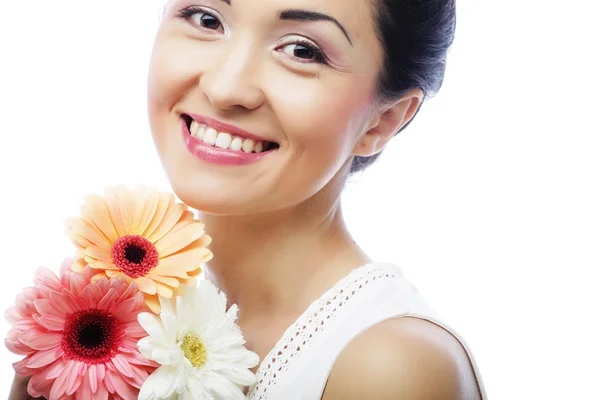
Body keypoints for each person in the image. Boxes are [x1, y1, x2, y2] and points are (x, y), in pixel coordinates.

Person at [11, 0, 486, 398]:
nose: (224, 88)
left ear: (384, 121)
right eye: (206, 18)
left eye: (302, 50)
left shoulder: (391, 367)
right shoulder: (113, 317)